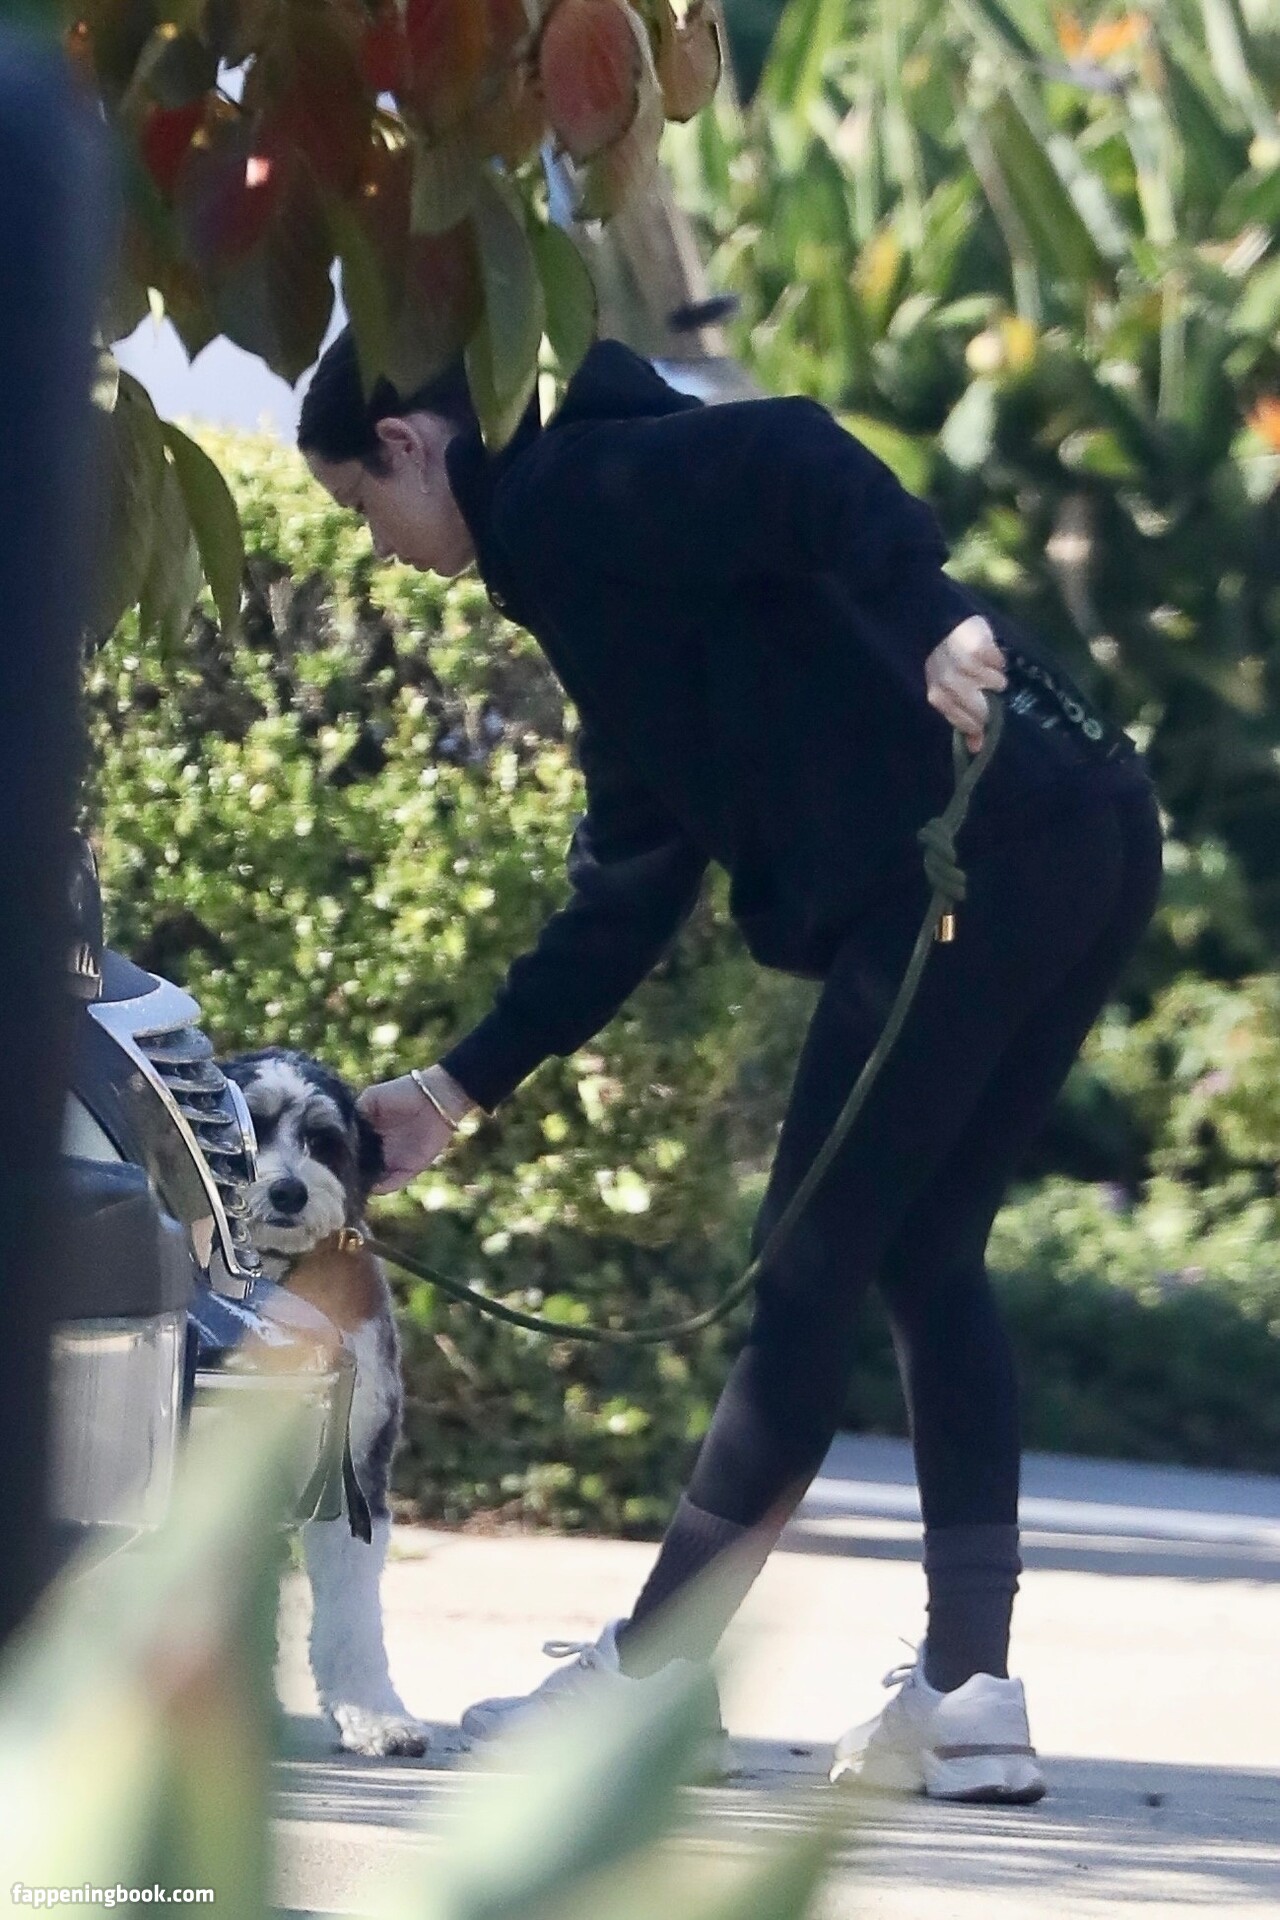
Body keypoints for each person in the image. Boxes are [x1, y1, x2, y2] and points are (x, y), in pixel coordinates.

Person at [299, 328, 1162, 1804]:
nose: (376, 544)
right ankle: (969, 1696)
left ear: (408, 445)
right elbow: (634, 874)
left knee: (808, 1269)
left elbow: (795, 451)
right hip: (1088, 829)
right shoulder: (587, 571)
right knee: (926, 1254)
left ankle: (654, 1677)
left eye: (360, 505)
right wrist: (456, 1088)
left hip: (973, 854)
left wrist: (933, 620)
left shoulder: (566, 492)